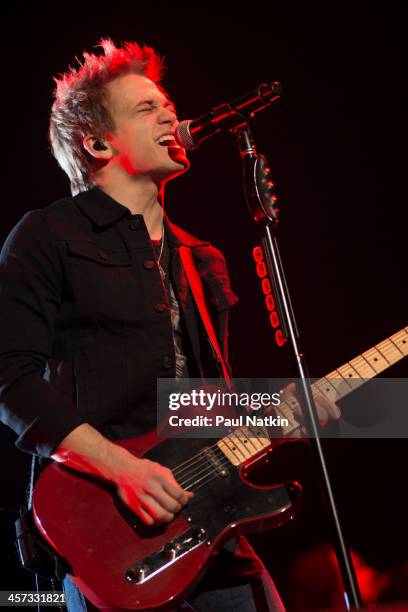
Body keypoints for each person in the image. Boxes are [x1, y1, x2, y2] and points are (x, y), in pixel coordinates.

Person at [0, 38, 339, 611]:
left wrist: (276, 413)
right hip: (105, 533)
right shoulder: (48, 236)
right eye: (146, 110)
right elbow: (10, 378)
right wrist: (123, 470)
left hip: (212, 523)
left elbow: (196, 406)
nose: (172, 117)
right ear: (97, 142)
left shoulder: (199, 257)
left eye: (167, 105)